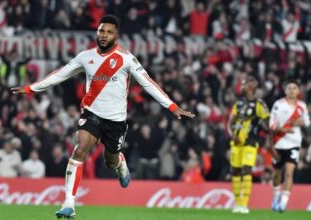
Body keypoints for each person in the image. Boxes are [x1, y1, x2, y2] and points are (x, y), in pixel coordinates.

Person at [11, 15, 195, 219]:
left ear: (116, 35)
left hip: (115, 121)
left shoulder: (126, 58)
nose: (104, 35)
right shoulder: (85, 56)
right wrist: (31, 88)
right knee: (80, 150)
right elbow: (61, 74)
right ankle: (69, 204)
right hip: (92, 114)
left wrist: (171, 106)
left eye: (109, 32)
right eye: (101, 31)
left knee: (110, 160)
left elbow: (147, 83)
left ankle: (120, 163)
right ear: (97, 33)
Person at [228, 76, 270, 214]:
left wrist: (265, 128)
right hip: (236, 142)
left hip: (250, 142)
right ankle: (238, 204)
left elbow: (268, 122)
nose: (242, 85)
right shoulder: (238, 103)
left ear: (252, 86)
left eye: (245, 84)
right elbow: (230, 122)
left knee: (246, 170)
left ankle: (244, 204)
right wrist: (232, 134)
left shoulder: (259, 104)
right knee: (235, 171)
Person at [269, 80, 310, 212]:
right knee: (277, 173)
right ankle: (275, 198)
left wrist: (301, 122)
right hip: (279, 142)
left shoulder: (302, 106)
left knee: (289, 172)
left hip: (293, 143)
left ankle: (283, 204)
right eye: (289, 88)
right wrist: (282, 129)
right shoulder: (278, 104)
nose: (292, 90)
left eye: (294, 88)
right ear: (285, 91)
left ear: (298, 91)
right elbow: (271, 124)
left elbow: (308, 123)